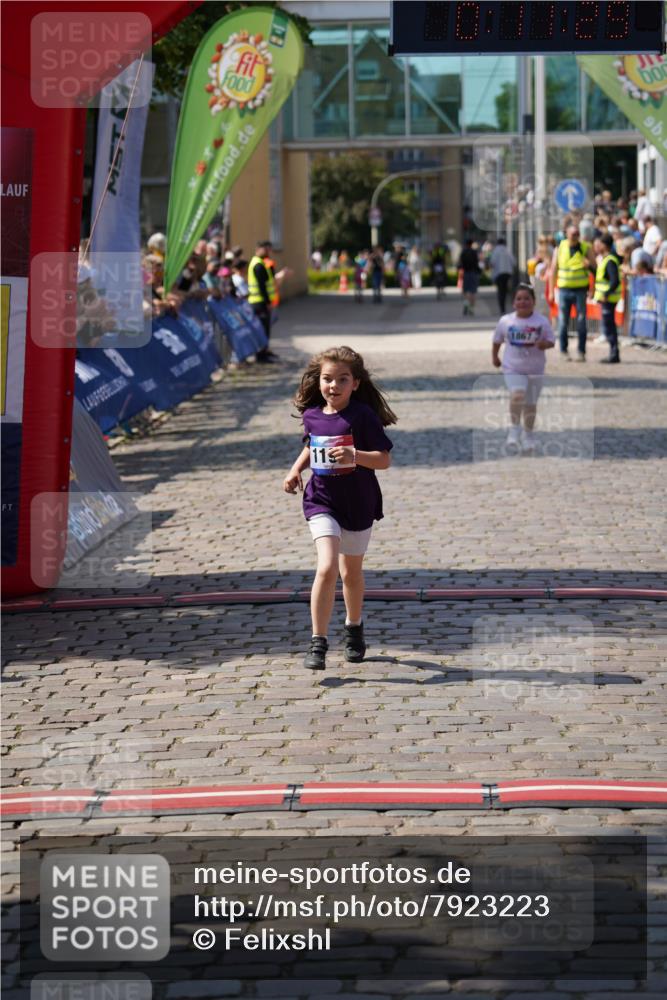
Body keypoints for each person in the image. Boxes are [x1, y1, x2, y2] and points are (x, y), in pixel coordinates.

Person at [283, 346, 396, 671]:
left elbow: (384, 459)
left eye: (341, 379)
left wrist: (355, 456)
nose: (333, 386)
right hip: (322, 500)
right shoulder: (312, 415)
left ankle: (354, 627)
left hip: (358, 501)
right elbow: (311, 445)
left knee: (351, 573)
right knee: (326, 567)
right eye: (327, 379)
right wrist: (295, 470)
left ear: (356, 383)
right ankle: (318, 642)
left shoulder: (362, 416)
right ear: (318, 381)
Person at [492, 283, 555, 454]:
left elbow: (551, 340)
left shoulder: (541, 321)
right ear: (513, 303)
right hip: (513, 367)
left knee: (530, 404)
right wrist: (495, 357)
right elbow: (497, 340)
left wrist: (544, 344)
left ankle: (528, 435)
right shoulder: (506, 321)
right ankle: (514, 429)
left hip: (535, 368)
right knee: (518, 394)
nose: (523, 302)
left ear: (533, 301)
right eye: (519, 299)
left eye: (527, 298)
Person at [549, 223, 595, 361]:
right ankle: (563, 350)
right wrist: (551, 291)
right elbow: (553, 270)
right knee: (563, 321)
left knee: (581, 321)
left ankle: (581, 351)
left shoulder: (586, 248)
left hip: (581, 290)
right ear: (567, 234)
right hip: (564, 290)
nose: (575, 236)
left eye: (577, 234)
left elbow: (595, 268)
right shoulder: (560, 247)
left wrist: (589, 265)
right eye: (573, 234)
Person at [248, 240, 278, 363]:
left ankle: (265, 351)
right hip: (259, 302)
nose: (268, 252)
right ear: (259, 249)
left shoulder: (263, 263)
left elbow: (269, 280)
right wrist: (267, 302)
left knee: (265, 328)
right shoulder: (258, 265)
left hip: (261, 302)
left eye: (269, 250)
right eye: (266, 249)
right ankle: (261, 355)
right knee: (262, 329)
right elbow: (262, 286)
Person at [593, 233, 621, 364]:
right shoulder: (606, 259)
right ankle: (613, 353)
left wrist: (606, 294)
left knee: (609, 327)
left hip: (609, 299)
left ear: (604, 245)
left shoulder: (610, 261)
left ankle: (614, 354)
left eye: (599, 243)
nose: (597, 246)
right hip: (607, 299)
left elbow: (614, 281)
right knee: (609, 326)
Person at [489, 237, 516, 315]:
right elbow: (513, 262)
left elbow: (492, 262)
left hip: (499, 273)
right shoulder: (507, 250)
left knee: (500, 291)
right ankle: (505, 306)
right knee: (505, 290)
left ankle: (502, 308)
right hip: (507, 273)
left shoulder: (496, 251)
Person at [458, 239, 481, 316]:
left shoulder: (463, 252)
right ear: (471, 244)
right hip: (473, 273)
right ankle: (471, 308)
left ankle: (466, 303)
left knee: (465, 291)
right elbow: (477, 263)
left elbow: (460, 264)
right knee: (473, 292)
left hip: (465, 273)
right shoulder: (474, 252)